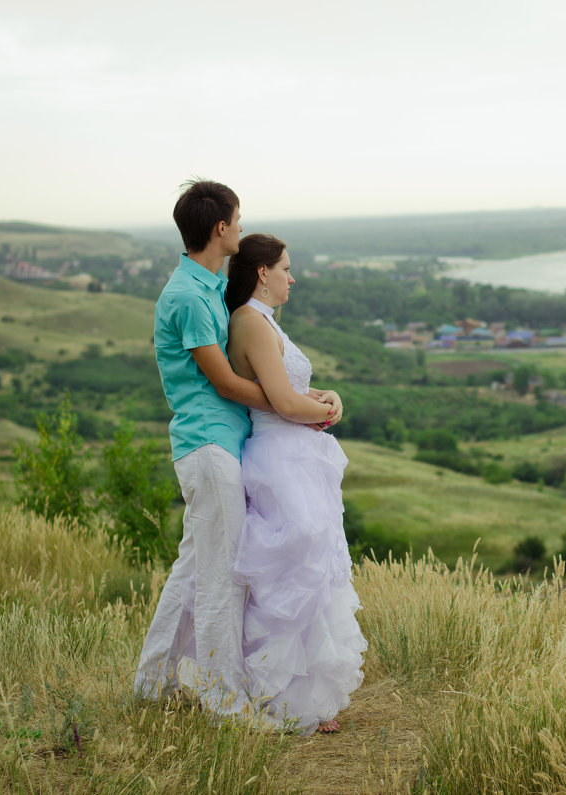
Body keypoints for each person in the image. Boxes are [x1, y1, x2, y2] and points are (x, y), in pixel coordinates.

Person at [134, 180, 339, 720]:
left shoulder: (207, 286)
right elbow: (224, 382)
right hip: (207, 444)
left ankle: (152, 683)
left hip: (221, 444)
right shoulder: (187, 296)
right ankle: (224, 702)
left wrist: (291, 398)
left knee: (192, 571)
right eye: (238, 219)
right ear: (220, 227)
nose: (242, 228)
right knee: (222, 578)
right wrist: (288, 403)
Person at [224, 233, 367, 734]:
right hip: (278, 454)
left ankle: (307, 695)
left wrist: (325, 397)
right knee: (292, 562)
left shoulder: (263, 322)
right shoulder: (250, 320)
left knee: (314, 564)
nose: (292, 276)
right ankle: (277, 694)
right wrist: (325, 411)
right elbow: (283, 404)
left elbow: (285, 390)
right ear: (262, 272)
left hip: (297, 453)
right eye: (286, 267)